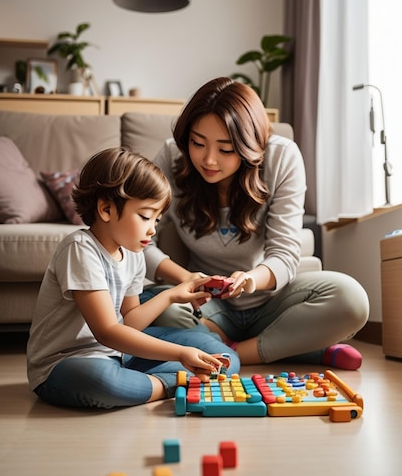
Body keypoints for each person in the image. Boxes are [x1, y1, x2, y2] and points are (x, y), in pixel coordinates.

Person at [143, 77, 370, 370]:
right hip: (205, 304)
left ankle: (231, 352)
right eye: (198, 143)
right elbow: (137, 239)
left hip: (272, 300)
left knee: (350, 299)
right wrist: (184, 278)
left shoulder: (282, 157)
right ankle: (299, 349)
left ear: (250, 145)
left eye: (225, 149)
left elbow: (285, 255)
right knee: (153, 307)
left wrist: (250, 280)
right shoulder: (172, 156)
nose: (208, 159)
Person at [26, 147, 240, 410]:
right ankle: (171, 384)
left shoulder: (133, 251)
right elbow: (108, 332)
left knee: (224, 359)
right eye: (145, 216)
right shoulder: (80, 249)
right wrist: (180, 354)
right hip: (67, 363)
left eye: (157, 219)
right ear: (105, 209)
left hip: (118, 354)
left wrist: (171, 294)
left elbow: (130, 322)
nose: (153, 229)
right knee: (103, 381)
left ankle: (151, 383)